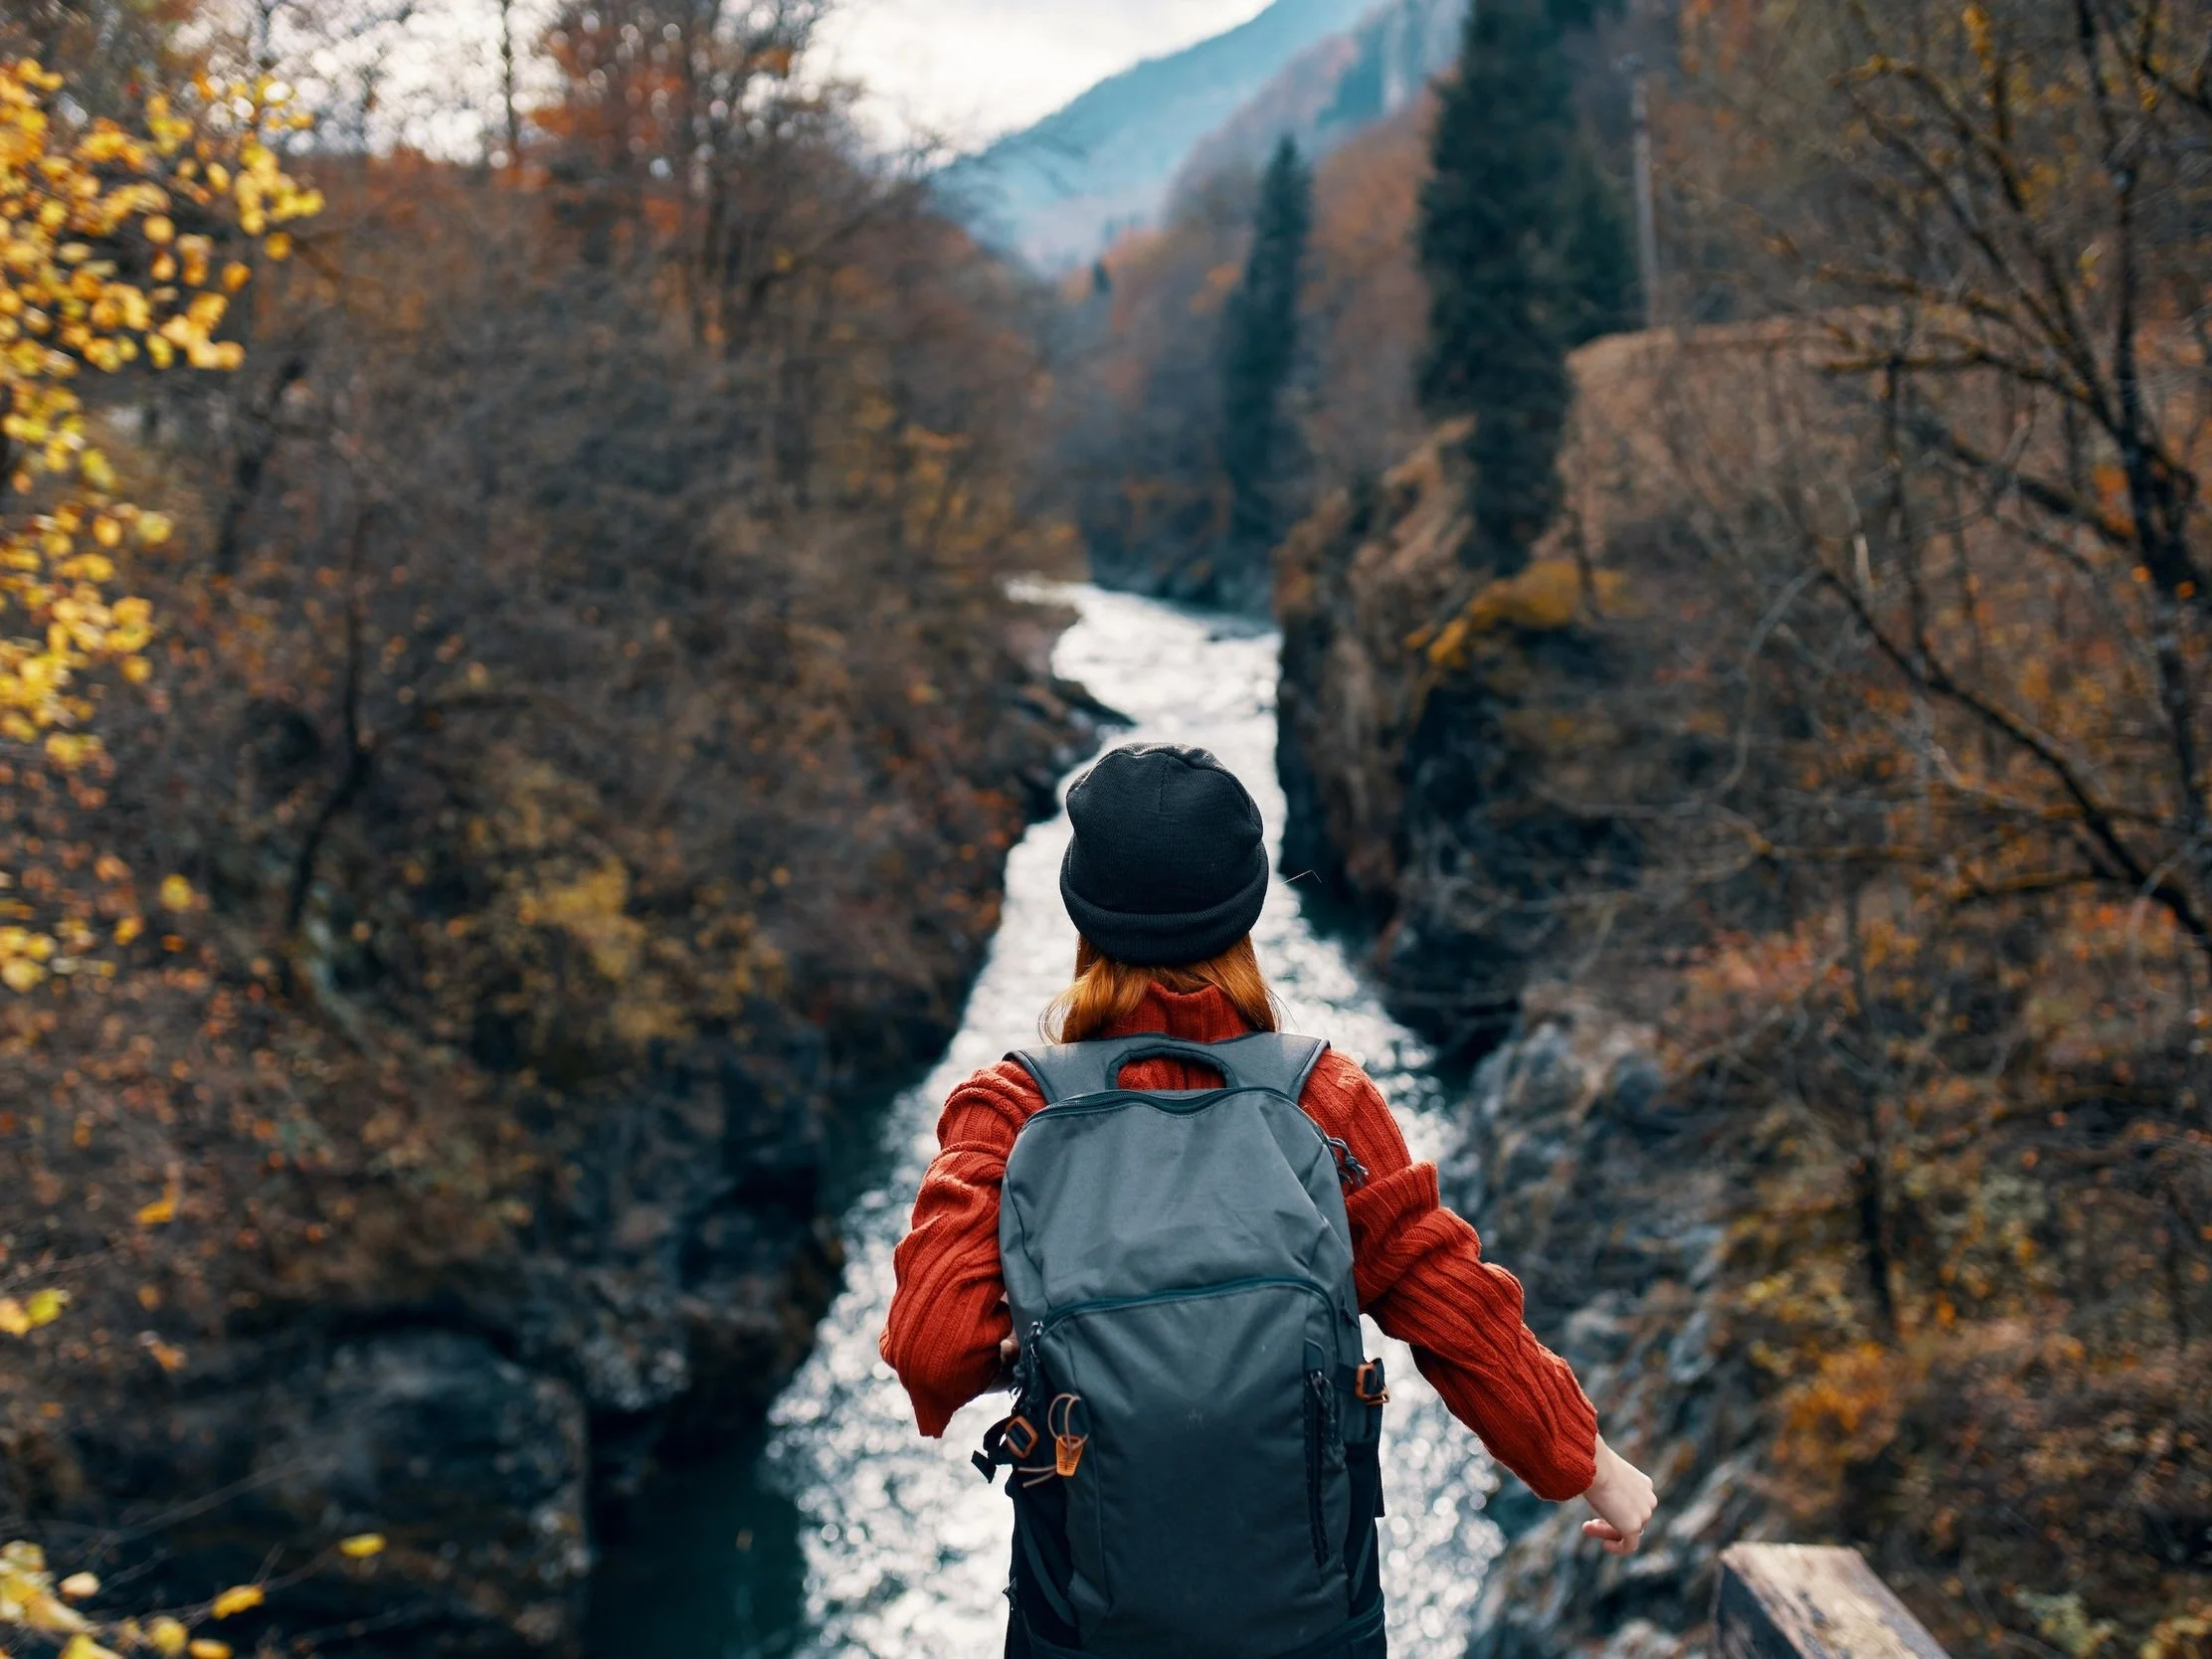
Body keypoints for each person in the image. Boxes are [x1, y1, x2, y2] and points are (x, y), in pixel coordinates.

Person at [881, 742, 1657, 1658]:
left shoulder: (1008, 1110)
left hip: (1089, 1621)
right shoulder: (1323, 1102)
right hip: (1309, 1619)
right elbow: (1449, 1299)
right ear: (1247, 907)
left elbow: (932, 1352)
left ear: (1081, 910)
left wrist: (1042, 1331)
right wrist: (1584, 1461)